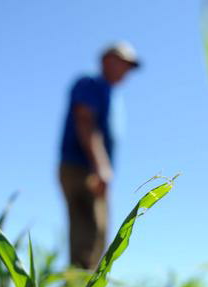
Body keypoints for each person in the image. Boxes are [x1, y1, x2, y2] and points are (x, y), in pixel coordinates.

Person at [59, 42, 140, 269]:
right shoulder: (91, 84)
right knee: (89, 229)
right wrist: (101, 166)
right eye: (124, 63)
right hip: (81, 167)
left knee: (98, 230)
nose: (127, 71)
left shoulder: (111, 95)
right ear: (107, 60)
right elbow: (85, 121)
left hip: (91, 168)